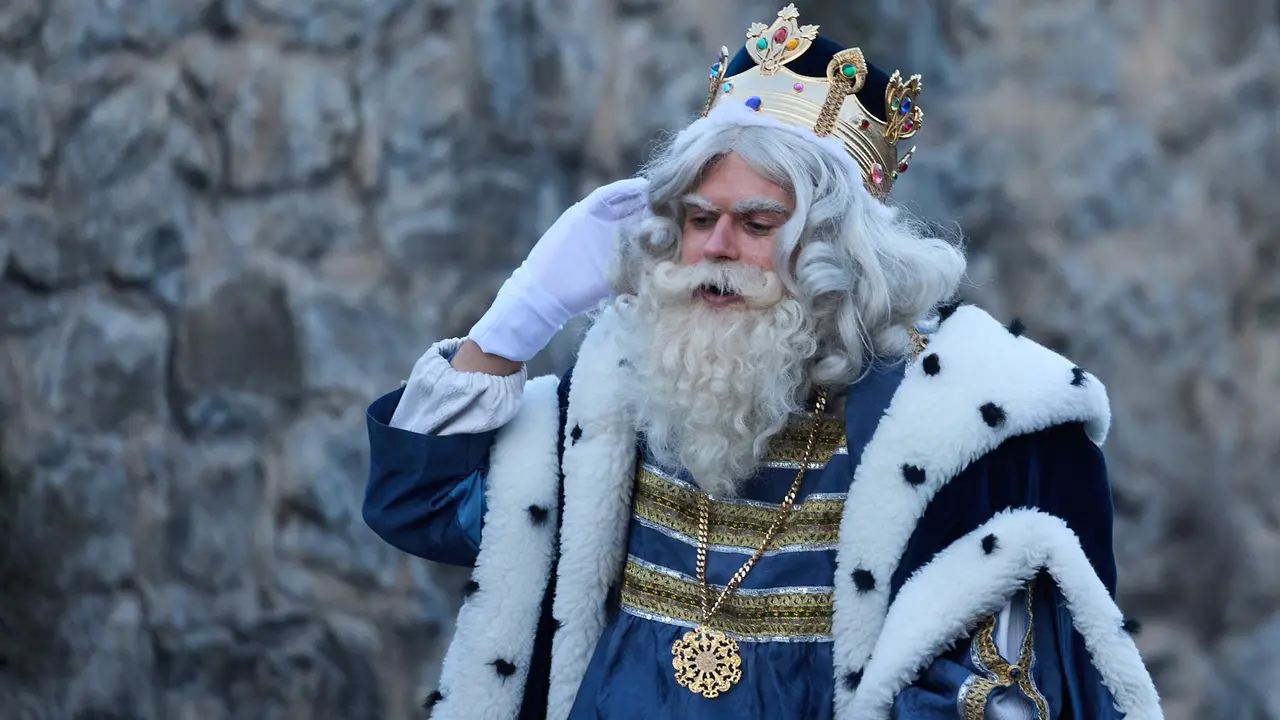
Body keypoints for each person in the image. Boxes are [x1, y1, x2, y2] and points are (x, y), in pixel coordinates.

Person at [362, 5, 1163, 719]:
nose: (715, 246)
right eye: (697, 216)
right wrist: (523, 311)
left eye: (755, 221)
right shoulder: (617, 398)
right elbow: (415, 501)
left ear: (838, 247)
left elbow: (1004, 687)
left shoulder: (973, 430)